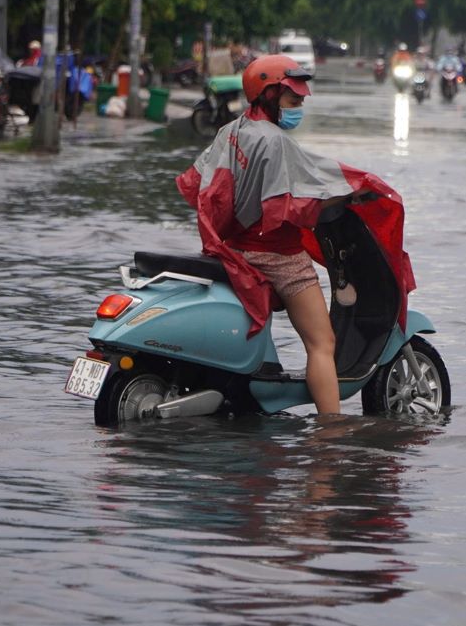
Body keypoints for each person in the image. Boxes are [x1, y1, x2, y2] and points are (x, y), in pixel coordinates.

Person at [175, 54, 414, 416]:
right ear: (269, 94)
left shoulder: (231, 131)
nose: (299, 104)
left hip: (233, 249)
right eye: (293, 98)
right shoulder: (276, 142)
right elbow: (295, 204)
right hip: (277, 256)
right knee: (322, 343)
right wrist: (353, 191)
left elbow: (200, 186)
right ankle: (331, 430)